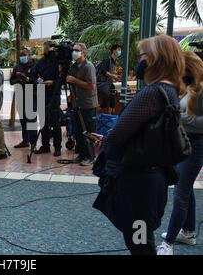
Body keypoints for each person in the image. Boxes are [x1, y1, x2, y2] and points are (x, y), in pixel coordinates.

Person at [93, 34, 185, 255]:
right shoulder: (170, 91)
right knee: (141, 239)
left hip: (138, 185)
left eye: (142, 55)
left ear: (155, 59)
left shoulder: (152, 93)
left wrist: (106, 144)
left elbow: (118, 135)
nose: (139, 60)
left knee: (140, 243)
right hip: (149, 180)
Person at [157, 51, 203, 255]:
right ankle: (189, 231)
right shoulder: (188, 88)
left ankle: (168, 245)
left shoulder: (200, 91)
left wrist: (178, 116)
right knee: (184, 188)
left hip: (195, 145)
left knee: (180, 194)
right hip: (183, 143)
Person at [66, 43, 98, 166]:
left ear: (83, 52)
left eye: (77, 50)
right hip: (77, 104)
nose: (74, 52)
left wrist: (75, 81)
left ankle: (90, 156)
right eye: (73, 50)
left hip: (88, 104)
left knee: (89, 132)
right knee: (78, 131)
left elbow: (91, 86)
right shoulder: (73, 67)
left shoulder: (88, 66)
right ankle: (82, 155)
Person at [33, 41, 63, 157]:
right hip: (42, 93)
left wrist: (53, 82)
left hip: (54, 94)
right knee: (43, 122)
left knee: (55, 122)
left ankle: (57, 147)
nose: (47, 50)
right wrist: (38, 81)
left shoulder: (58, 62)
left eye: (49, 48)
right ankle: (45, 145)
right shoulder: (40, 62)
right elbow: (33, 75)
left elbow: (63, 79)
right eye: (45, 48)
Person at [10, 49, 37, 150]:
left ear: (29, 56)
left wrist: (27, 79)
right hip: (20, 95)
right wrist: (19, 79)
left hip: (32, 95)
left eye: (24, 55)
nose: (22, 57)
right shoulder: (17, 67)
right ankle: (25, 141)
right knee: (23, 120)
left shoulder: (35, 66)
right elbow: (11, 81)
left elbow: (37, 82)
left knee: (31, 119)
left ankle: (33, 142)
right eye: (20, 55)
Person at [97, 45, 122, 113]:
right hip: (102, 83)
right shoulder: (107, 59)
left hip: (109, 83)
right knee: (107, 95)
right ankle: (101, 109)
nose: (120, 51)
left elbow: (111, 73)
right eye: (118, 49)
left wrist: (116, 77)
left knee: (114, 96)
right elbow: (104, 71)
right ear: (114, 50)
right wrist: (114, 76)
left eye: (120, 50)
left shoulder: (115, 61)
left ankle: (112, 114)